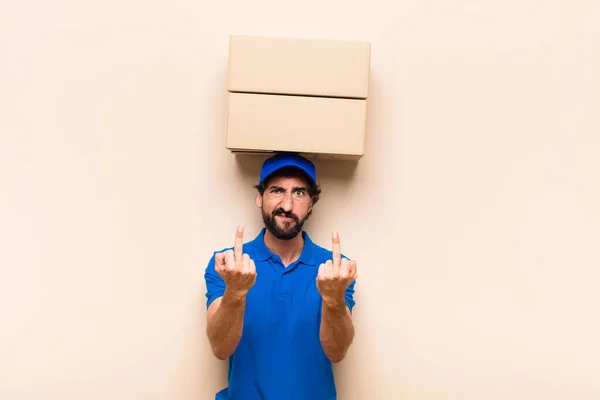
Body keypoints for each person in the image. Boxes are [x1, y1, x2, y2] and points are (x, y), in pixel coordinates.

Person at [204, 152, 358, 400]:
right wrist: (235, 291)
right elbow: (220, 348)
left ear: (311, 203)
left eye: (299, 193)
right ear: (259, 198)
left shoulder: (335, 270)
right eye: (276, 190)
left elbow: (337, 352)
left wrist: (333, 299)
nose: (287, 205)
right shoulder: (227, 264)